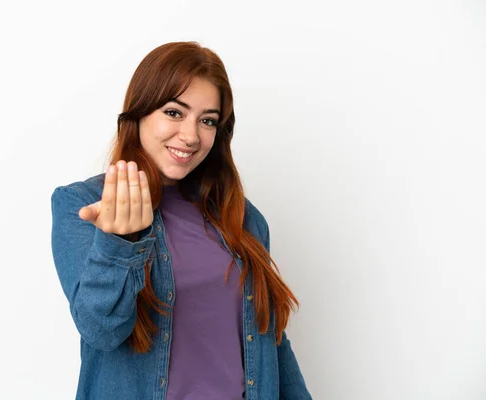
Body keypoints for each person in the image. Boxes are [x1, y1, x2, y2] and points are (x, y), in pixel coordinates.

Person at [50, 41, 312, 400]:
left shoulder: (245, 219)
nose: (191, 136)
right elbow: (101, 330)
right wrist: (119, 244)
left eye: (207, 120)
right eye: (174, 112)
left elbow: (272, 342)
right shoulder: (81, 205)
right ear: (139, 113)